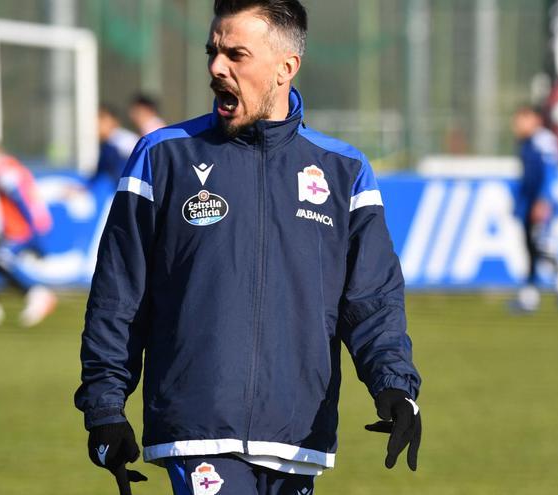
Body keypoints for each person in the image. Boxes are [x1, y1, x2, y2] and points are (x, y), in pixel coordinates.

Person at [74, 2, 422, 494]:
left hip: (298, 435)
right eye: (213, 52)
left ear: (286, 67)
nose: (218, 67)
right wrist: (105, 407)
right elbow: (119, 294)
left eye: (236, 54)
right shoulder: (163, 156)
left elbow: (372, 301)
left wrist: (394, 386)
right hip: (199, 431)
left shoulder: (343, 170)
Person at [0, 142, 57, 327]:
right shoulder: (4, 168)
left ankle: (37, 294)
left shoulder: (3, 169)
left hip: (23, 228)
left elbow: (21, 198)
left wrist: (35, 231)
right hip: (19, 227)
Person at [510, 105, 558, 313]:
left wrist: (543, 200)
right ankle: (529, 297)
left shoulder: (543, 141)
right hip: (530, 202)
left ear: (535, 119)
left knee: (544, 247)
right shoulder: (526, 143)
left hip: (541, 204)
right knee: (530, 249)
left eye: (522, 118)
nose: (517, 124)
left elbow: (549, 174)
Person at [93, 104, 140, 187]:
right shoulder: (106, 143)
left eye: (102, 118)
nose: (97, 123)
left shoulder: (123, 142)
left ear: (114, 121)